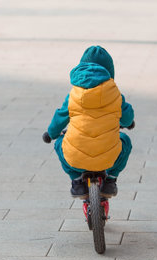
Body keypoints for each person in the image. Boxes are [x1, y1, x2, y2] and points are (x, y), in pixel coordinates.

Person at [45, 45, 134, 198]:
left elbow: (60, 117)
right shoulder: (115, 94)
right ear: (110, 71)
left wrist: (50, 133)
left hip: (76, 158)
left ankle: (77, 180)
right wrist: (128, 123)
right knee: (125, 140)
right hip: (109, 158)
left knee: (59, 142)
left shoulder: (73, 95)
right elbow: (127, 117)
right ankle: (111, 180)